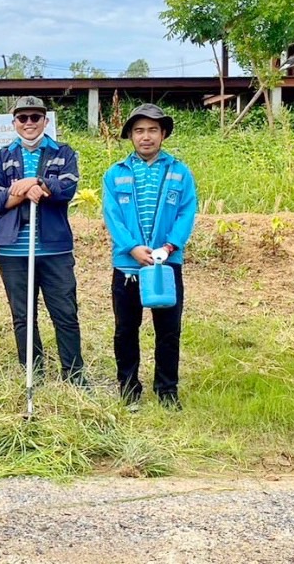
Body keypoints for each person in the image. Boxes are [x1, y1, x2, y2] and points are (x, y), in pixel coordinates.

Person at [102, 103, 197, 410]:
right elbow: (113, 216)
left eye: (153, 130)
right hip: (128, 266)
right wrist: (131, 247)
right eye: (139, 130)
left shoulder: (179, 172)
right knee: (126, 329)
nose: (146, 137)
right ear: (130, 135)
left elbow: (186, 212)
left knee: (168, 331)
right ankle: (129, 389)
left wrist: (169, 247)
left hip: (166, 266)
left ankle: (167, 391)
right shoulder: (115, 174)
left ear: (163, 134)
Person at [0, 96, 85, 385]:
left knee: (65, 312)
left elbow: (66, 189)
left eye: (35, 117)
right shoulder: (2, 157)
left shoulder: (62, 152)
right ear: (14, 122)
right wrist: (27, 191)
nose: (29, 123)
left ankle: (74, 374)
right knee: (23, 315)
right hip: (13, 250)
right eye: (23, 118)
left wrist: (36, 182)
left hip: (54, 248)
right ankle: (33, 372)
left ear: (45, 121)